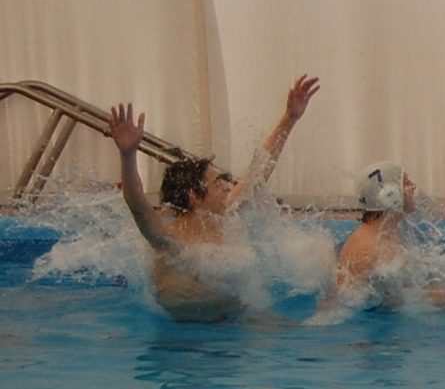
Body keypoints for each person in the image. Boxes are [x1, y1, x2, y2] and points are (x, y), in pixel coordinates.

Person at [104, 76, 321, 321]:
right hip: (187, 334)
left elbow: (258, 173)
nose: (228, 188)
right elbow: (139, 208)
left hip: (236, 317)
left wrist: (289, 118)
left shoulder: (222, 216)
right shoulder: (171, 243)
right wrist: (128, 154)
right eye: (218, 183)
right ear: (194, 197)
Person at [326, 162, 445, 310]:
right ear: (389, 195)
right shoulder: (376, 247)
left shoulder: (386, 230)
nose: (413, 186)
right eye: (405, 182)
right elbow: (409, 297)